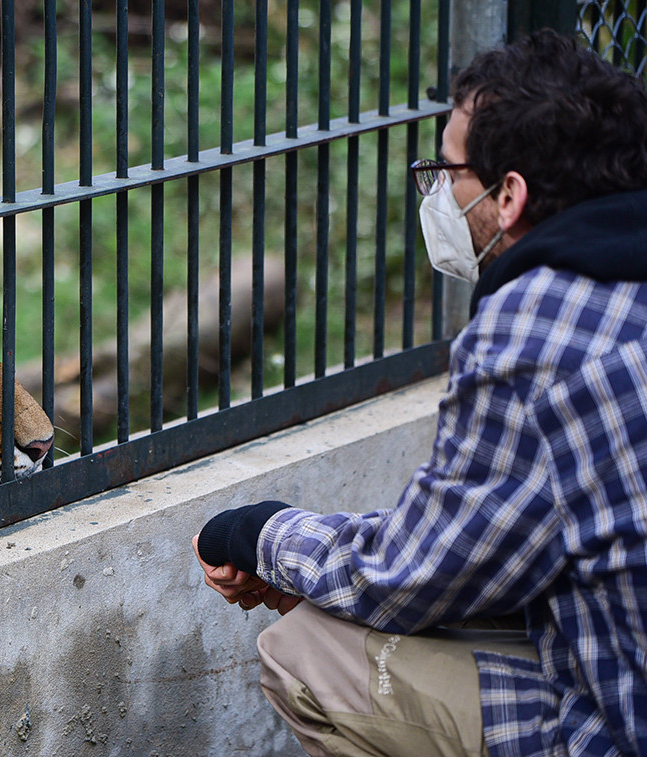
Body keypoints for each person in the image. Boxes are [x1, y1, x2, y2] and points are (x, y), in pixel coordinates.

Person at [193, 30, 647, 757]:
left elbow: (411, 572)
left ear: (509, 196)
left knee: (306, 651)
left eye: (450, 172)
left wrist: (260, 534)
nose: (438, 193)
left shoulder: (534, 331)